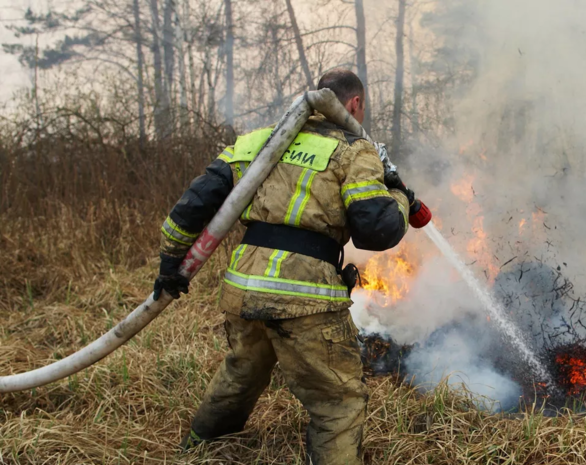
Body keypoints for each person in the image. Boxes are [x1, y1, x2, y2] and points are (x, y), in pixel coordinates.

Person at [153, 69, 414, 465]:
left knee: (242, 372)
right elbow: (376, 231)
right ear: (355, 104)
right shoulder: (355, 150)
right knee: (337, 400)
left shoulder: (261, 140)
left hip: (244, 286)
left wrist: (171, 261)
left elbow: (195, 201)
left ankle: (198, 450)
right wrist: (398, 195)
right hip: (305, 296)